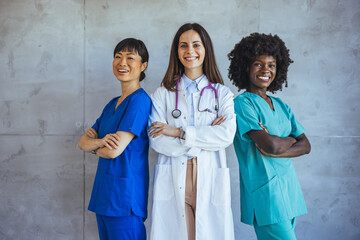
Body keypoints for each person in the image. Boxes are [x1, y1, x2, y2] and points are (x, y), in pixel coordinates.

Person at [148, 23, 236, 240]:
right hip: (174, 175)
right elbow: (157, 140)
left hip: (210, 174)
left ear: (206, 49)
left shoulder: (222, 94)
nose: (190, 51)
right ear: (176, 52)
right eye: (183, 45)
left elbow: (226, 135)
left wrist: (178, 132)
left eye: (196, 45)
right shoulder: (162, 94)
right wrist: (206, 135)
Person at [228, 33, 311, 240]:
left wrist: (284, 144)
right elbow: (271, 145)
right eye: (258, 64)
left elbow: (306, 145)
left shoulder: (282, 106)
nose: (266, 70)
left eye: (272, 65)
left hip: (289, 191)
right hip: (266, 194)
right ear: (246, 67)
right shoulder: (242, 104)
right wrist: (290, 140)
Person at [78, 38, 151, 240]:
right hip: (104, 196)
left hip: (125, 200)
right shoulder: (112, 104)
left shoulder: (140, 101)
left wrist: (96, 146)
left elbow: (113, 151)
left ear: (143, 65)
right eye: (118, 57)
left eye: (130, 57)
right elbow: (82, 142)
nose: (122, 63)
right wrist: (101, 142)